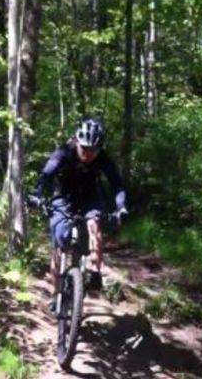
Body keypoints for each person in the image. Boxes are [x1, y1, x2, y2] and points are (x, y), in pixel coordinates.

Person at [29, 118, 128, 313]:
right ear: (77, 141)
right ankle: (56, 293)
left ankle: (94, 272)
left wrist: (121, 207)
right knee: (59, 244)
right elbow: (46, 175)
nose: (87, 153)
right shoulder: (64, 152)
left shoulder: (103, 159)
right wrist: (37, 194)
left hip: (90, 196)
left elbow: (117, 184)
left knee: (95, 225)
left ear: (100, 148)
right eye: (84, 148)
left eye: (93, 150)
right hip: (64, 196)